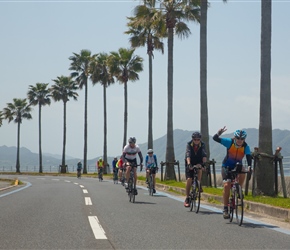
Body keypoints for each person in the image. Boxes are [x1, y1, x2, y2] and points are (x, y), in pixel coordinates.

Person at [213, 126, 252, 219]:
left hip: (237, 165)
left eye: (242, 139)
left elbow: (248, 157)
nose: (239, 140)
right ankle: (225, 208)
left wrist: (250, 167)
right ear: (235, 137)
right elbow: (215, 138)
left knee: (243, 170)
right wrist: (219, 132)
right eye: (238, 138)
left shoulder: (246, 146)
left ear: (244, 139)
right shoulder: (229, 142)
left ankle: (239, 188)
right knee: (227, 185)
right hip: (226, 166)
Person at [184, 132, 207, 207]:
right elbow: (188, 154)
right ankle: (187, 198)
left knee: (200, 168)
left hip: (198, 160)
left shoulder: (202, 144)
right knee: (189, 179)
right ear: (192, 139)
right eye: (195, 139)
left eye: (198, 139)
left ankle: (198, 184)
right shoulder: (189, 144)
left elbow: (204, 155)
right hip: (190, 161)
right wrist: (189, 164)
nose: (196, 141)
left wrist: (203, 164)